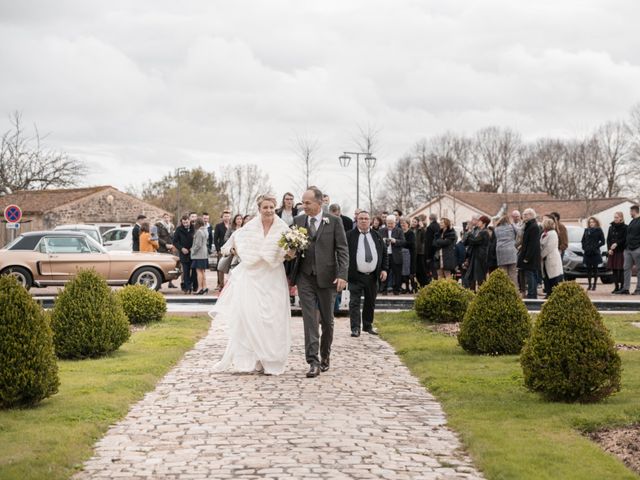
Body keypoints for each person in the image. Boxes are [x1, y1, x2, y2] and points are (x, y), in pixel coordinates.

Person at [210, 194, 291, 375]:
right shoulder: (248, 228)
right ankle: (254, 357)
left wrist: (290, 252)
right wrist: (235, 250)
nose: (269, 210)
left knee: (272, 318)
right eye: (265, 207)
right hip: (252, 278)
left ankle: (270, 359)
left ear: (275, 207)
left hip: (273, 277)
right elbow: (226, 247)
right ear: (259, 208)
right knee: (252, 317)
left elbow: (288, 253)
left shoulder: (283, 228)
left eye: (271, 207)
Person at [293, 186, 348, 378]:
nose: (304, 206)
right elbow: (292, 250)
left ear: (319, 203)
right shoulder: (298, 220)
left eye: (307, 203)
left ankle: (325, 356)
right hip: (305, 276)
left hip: (328, 277)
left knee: (327, 320)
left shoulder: (334, 221)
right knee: (309, 319)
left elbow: (342, 249)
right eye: (303, 202)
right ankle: (313, 361)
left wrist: (342, 275)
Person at [346, 211, 388, 337]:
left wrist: (384, 269)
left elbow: (384, 254)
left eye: (366, 218)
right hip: (355, 275)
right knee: (354, 302)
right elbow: (342, 254)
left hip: (372, 275)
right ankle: (355, 328)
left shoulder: (377, 236)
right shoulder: (349, 235)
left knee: (370, 302)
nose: (363, 221)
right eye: (361, 218)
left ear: (370, 220)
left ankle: (368, 325)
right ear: (357, 220)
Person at [379, 214, 405, 295]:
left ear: (395, 222)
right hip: (385, 255)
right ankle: (383, 290)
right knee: (384, 272)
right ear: (386, 222)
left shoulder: (399, 230)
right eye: (388, 223)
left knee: (397, 274)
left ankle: (396, 290)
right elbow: (377, 242)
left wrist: (395, 241)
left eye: (391, 223)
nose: (390, 225)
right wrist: (382, 241)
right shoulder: (381, 230)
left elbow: (403, 242)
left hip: (396, 255)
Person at [518, 208, 541, 299]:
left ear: (531, 215)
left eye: (525, 214)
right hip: (528, 255)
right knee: (531, 275)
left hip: (531, 257)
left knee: (531, 276)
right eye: (523, 214)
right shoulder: (529, 225)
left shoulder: (533, 227)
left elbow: (532, 244)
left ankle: (532, 295)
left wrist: (527, 257)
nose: (523, 216)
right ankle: (532, 294)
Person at [463, 215, 491, 291]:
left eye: (480, 221)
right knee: (471, 277)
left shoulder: (485, 232)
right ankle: (472, 295)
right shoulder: (477, 231)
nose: (478, 222)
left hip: (480, 257)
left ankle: (481, 295)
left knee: (480, 278)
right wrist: (468, 233)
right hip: (473, 256)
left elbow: (474, 241)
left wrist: (469, 233)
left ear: (484, 223)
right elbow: (466, 242)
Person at [617, 205, 640, 295]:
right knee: (626, 268)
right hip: (628, 249)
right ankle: (626, 288)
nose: (630, 213)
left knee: (639, 269)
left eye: (631, 211)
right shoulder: (632, 221)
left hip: (637, 248)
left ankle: (638, 289)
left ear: (634, 211)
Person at [540, 218, 564, 297]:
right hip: (545, 259)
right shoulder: (544, 233)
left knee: (553, 277)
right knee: (546, 277)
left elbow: (549, 247)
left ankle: (553, 294)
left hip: (551, 258)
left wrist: (541, 255)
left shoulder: (553, 233)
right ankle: (548, 292)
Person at [581, 216, 605, 291]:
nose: (591, 224)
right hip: (587, 252)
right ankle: (589, 285)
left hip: (595, 252)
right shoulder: (586, 230)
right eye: (590, 222)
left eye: (593, 222)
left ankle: (594, 285)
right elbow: (583, 240)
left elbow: (603, 241)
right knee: (588, 270)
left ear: (596, 223)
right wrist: (584, 247)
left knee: (595, 269)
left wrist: (596, 246)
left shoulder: (599, 230)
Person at [493, 215, 518, 286]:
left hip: (500, 251)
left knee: (503, 273)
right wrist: (512, 223)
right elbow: (519, 232)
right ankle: (514, 290)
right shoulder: (511, 227)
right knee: (513, 273)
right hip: (511, 251)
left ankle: (505, 290)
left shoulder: (497, 229)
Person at [172, 214, 195, 294]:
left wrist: (193, 248)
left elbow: (197, 240)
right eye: (184, 223)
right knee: (185, 271)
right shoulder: (179, 229)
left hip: (193, 253)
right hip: (183, 253)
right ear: (182, 222)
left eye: (187, 222)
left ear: (189, 220)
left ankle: (192, 285)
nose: (185, 224)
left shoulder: (194, 228)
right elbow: (174, 241)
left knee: (194, 271)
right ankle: (187, 288)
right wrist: (181, 248)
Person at [607, 211, 627, 294]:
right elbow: (608, 239)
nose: (615, 219)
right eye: (614, 217)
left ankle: (622, 287)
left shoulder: (625, 227)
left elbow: (625, 239)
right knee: (614, 270)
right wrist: (609, 249)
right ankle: (616, 287)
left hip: (621, 251)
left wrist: (617, 243)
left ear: (621, 218)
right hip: (613, 252)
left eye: (617, 217)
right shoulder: (611, 227)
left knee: (621, 270)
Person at [214, 210, 232, 290]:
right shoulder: (218, 226)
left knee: (230, 266)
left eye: (228, 216)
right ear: (222, 217)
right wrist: (218, 250)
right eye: (225, 216)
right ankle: (220, 284)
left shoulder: (232, 226)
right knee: (220, 267)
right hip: (222, 249)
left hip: (231, 249)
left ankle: (230, 283)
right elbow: (215, 239)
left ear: (230, 217)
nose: (226, 217)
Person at [191, 217, 210, 295]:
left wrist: (192, 251)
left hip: (199, 254)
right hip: (204, 254)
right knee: (202, 271)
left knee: (199, 271)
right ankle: (204, 287)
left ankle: (200, 288)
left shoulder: (199, 231)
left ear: (197, 223)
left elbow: (198, 245)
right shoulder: (205, 230)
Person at [399, 218, 416, 293]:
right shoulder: (400, 232)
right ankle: (406, 288)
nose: (403, 224)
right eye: (401, 223)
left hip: (410, 254)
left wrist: (402, 243)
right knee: (404, 272)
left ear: (408, 224)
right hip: (402, 254)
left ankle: (413, 287)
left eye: (404, 223)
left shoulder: (410, 233)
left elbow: (411, 244)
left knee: (410, 272)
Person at [423, 213, 440, 284]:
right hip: (437, 250)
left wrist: (428, 256)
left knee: (432, 270)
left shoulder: (430, 227)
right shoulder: (438, 226)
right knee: (437, 270)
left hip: (431, 252)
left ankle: (433, 284)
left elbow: (428, 242)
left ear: (430, 219)